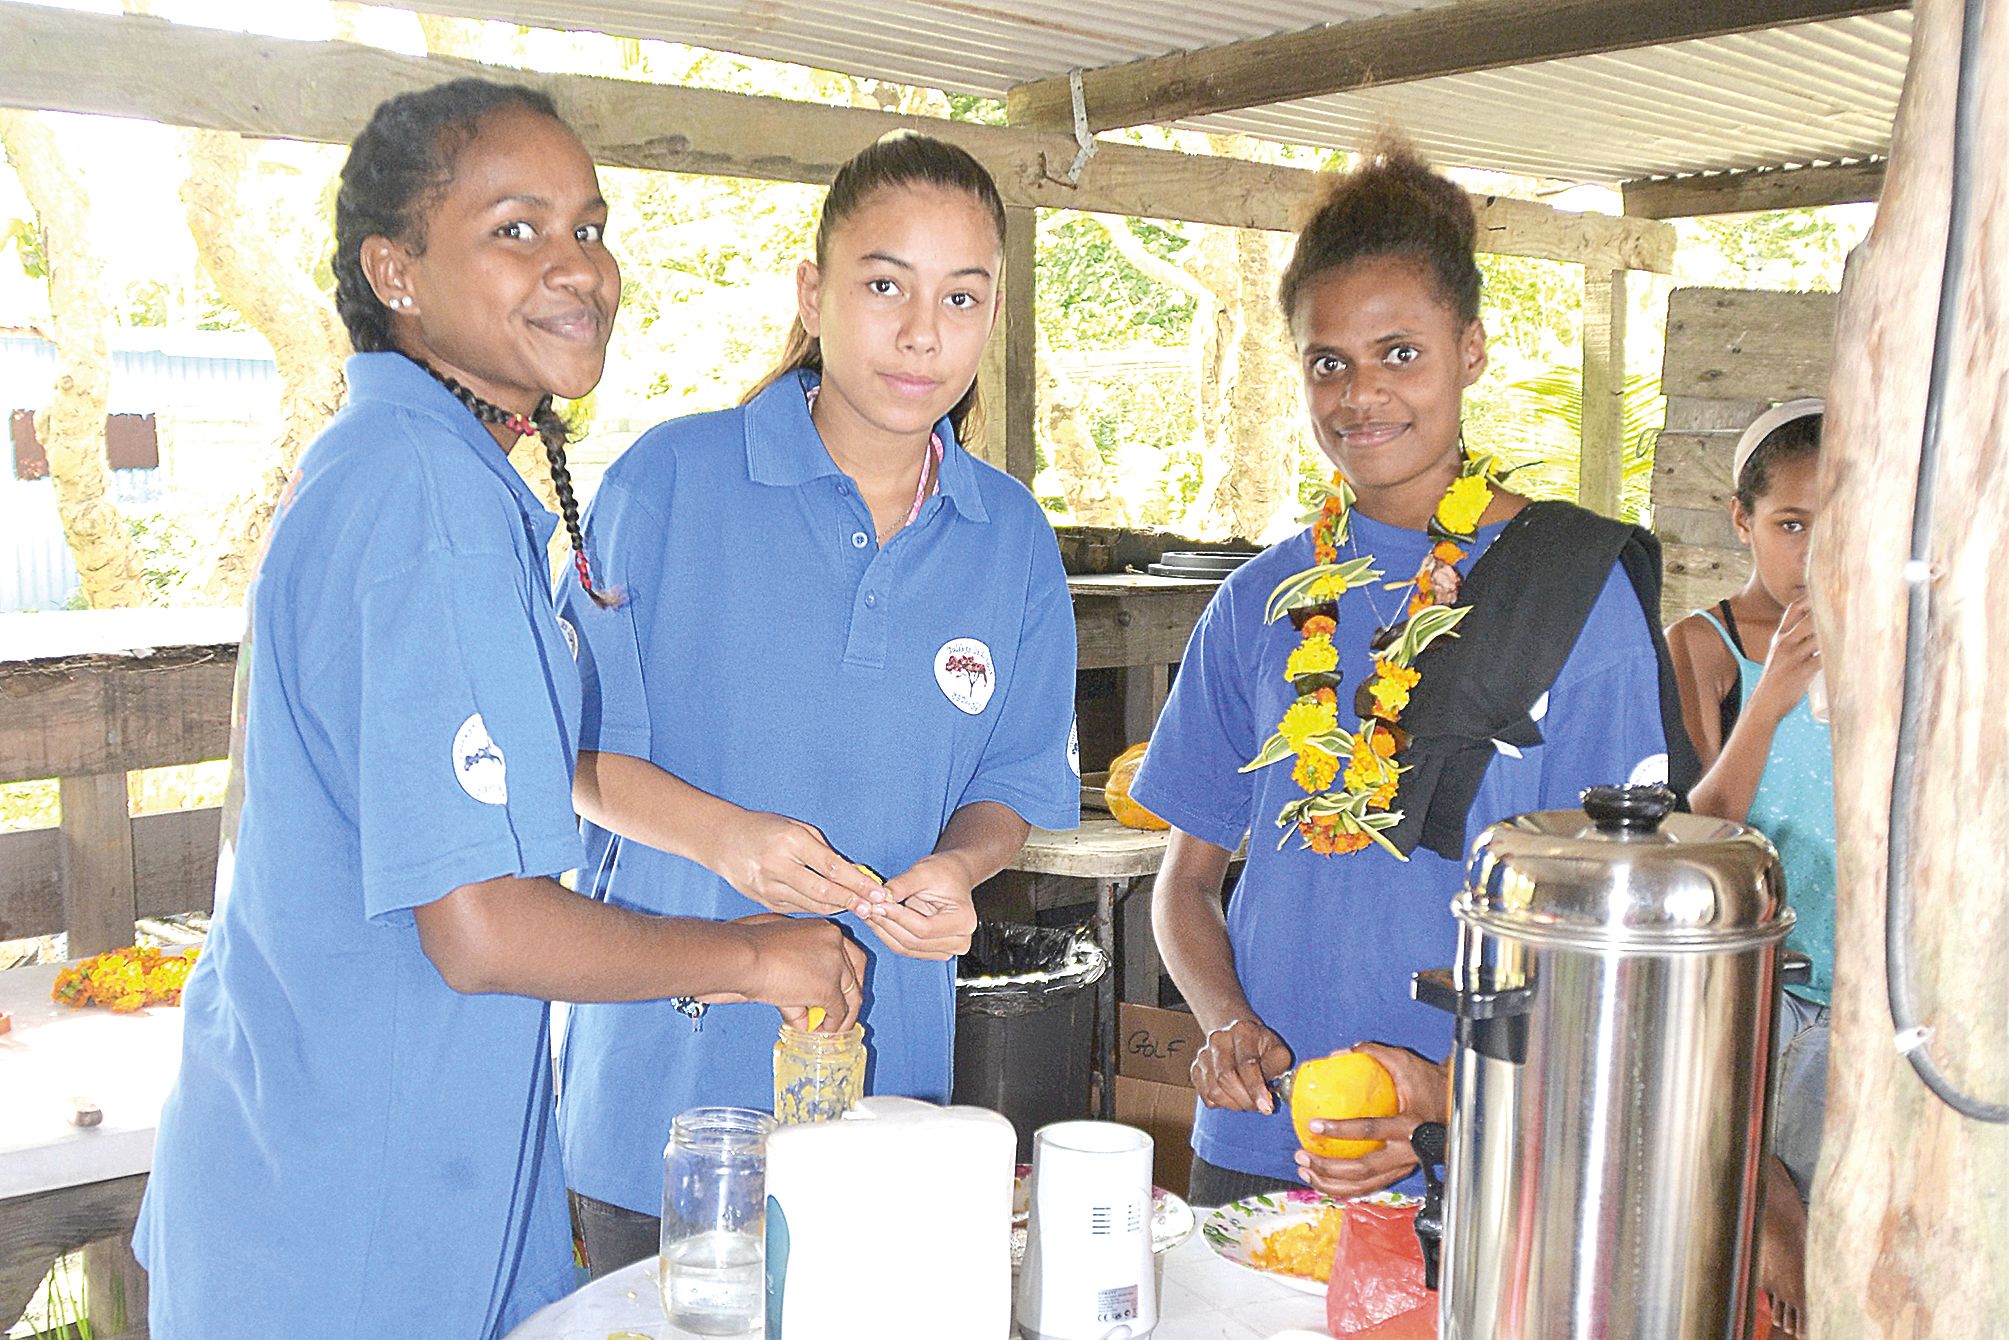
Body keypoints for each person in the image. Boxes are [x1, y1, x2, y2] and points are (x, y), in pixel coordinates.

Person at [134, 80, 864, 1339]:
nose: (576, 267)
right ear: (396, 269)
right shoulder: (427, 504)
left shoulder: (395, 469)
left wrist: (722, 843)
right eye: (515, 230)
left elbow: (523, 777)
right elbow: (478, 925)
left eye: (589, 227)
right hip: (355, 1222)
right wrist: (752, 957)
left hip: (318, 1166)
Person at [1129, 137, 1698, 1209]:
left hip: (1473, 1148)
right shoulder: (1259, 600)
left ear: (1470, 350)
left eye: (1399, 352)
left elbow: (1620, 942)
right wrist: (1222, 1022)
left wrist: (1452, 1096)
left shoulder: (1571, 589)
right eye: (1326, 361)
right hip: (1258, 1141)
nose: (1359, 395)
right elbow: (1186, 882)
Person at [555, 131, 1080, 1275]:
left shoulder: (1011, 538)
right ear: (813, 292)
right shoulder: (669, 481)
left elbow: (1011, 781)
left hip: (882, 1109)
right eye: (883, 284)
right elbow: (572, 756)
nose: (920, 332)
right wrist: (725, 838)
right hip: (664, 1096)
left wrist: (960, 868)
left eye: (961, 297)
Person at [1665, 398, 1830, 1337]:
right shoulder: (1706, 645)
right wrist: (1769, 700)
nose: (1810, 554)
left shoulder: (1901, 638)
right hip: (1761, 981)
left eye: (1834, 526)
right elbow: (1699, 829)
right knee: (1746, 1218)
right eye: (1789, 525)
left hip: (1869, 988)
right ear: (1741, 521)